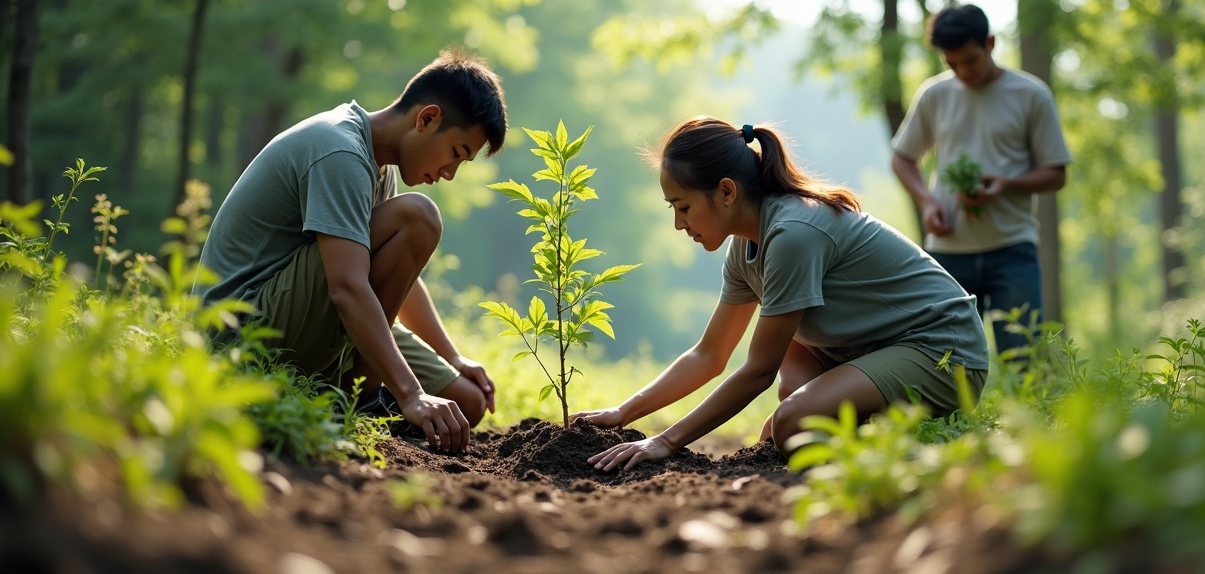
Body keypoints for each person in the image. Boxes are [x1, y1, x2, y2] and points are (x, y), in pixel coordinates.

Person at [574, 117, 989, 471]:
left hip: (940, 350)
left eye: (682, 207)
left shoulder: (794, 234)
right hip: (867, 347)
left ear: (726, 191)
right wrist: (622, 412)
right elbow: (709, 355)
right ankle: (875, 433)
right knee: (787, 430)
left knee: (792, 424)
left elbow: (758, 370)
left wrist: (664, 441)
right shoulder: (745, 246)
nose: (680, 224)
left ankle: (904, 454)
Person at [199, 49, 505, 453]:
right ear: (426, 119)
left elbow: (397, 276)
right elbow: (346, 286)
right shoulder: (340, 150)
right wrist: (411, 393)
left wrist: (454, 356)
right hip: (242, 331)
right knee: (419, 216)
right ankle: (358, 401)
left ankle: (364, 394)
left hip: (301, 314)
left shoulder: (380, 165)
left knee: (466, 401)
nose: (449, 173)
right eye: (456, 153)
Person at [890, 4, 1072, 355]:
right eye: (951, 63)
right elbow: (903, 158)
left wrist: (1005, 185)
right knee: (943, 358)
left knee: (1024, 357)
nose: (962, 71)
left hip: (1013, 248)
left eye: (970, 60)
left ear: (990, 43)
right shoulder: (935, 94)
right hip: (947, 252)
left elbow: (1056, 173)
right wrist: (927, 203)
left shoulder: (1030, 94)